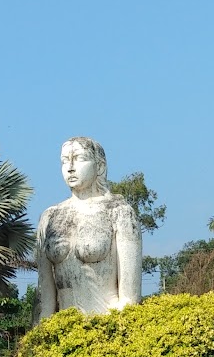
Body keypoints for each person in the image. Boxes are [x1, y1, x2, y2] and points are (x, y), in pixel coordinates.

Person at [37, 136, 142, 317]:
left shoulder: (119, 212)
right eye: (64, 161)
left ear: (99, 167)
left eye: (79, 159)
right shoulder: (50, 217)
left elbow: (129, 298)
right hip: (63, 331)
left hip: (106, 327)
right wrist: (38, 335)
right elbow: (44, 295)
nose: (70, 167)